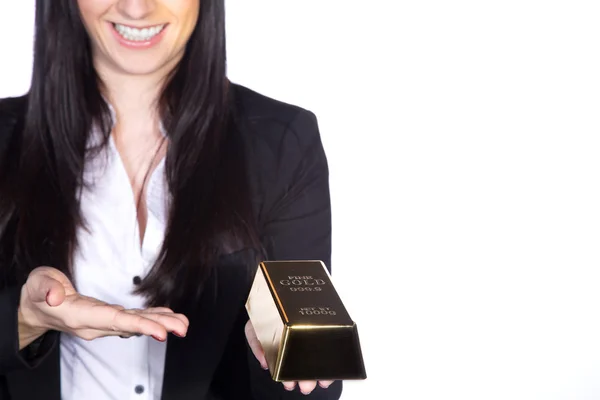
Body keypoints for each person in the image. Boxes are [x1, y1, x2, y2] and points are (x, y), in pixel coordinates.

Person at [0, 1, 341, 399]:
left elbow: (314, 385)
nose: (136, 8)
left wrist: (279, 346)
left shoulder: (282, 143)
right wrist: (25, 320)